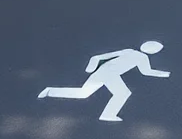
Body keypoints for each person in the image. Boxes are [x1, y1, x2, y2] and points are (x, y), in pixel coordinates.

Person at [38, 41, 170, 122]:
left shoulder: (128, 51)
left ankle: (50, 91)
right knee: (123, 93)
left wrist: (90, 68)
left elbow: (100, 57)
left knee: (83, 93)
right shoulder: (142, 57)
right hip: (110, 74)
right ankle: (108, 114)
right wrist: (164, 74)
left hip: (102, 71)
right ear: (154, 51)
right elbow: (146, 72)